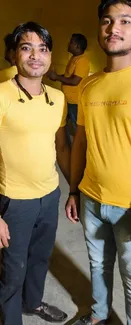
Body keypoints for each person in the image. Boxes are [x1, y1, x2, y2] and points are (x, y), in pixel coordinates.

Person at [66, 1, 131, 325]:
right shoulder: (89, 83)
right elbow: (81, 144)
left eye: (125, 21)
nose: (114, 28)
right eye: (107, 20)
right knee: (98, 266)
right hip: (90, 198)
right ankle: (98, 317)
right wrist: (74, 190)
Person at [0, 21, 70, 325]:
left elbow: (61, 148)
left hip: (50, 194)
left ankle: (33, 303)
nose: (35, 56)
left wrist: (74, 191)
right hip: (14, 201)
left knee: (40, 258)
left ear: (50, 56)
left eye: (42, 49)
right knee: (13, 270)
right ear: (15, 53)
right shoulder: (1, 94)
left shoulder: (58, 98)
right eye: (27, 47)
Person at [48, 33, 90, 134]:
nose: (68, 44)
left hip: (74, 102)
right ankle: (66, 146)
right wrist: (56, 76)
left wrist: (57, 77)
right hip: (67, 99)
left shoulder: (82, 61)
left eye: (71, 42)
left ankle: (79, 148)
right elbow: (69, 77)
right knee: (62, 126)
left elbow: (75, 81)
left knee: (77, 129)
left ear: (77, 46)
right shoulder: (74, 58)